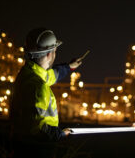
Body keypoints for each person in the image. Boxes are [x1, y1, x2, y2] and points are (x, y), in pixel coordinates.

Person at [11, 28, 82, 157]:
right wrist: (59, 134)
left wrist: (69, 67)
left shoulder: (27, 74)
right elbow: (35, 128)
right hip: (36, 149)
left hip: (21, 145)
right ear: (50, 54)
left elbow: (51, 75)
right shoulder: (38, 87)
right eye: (55, 51)